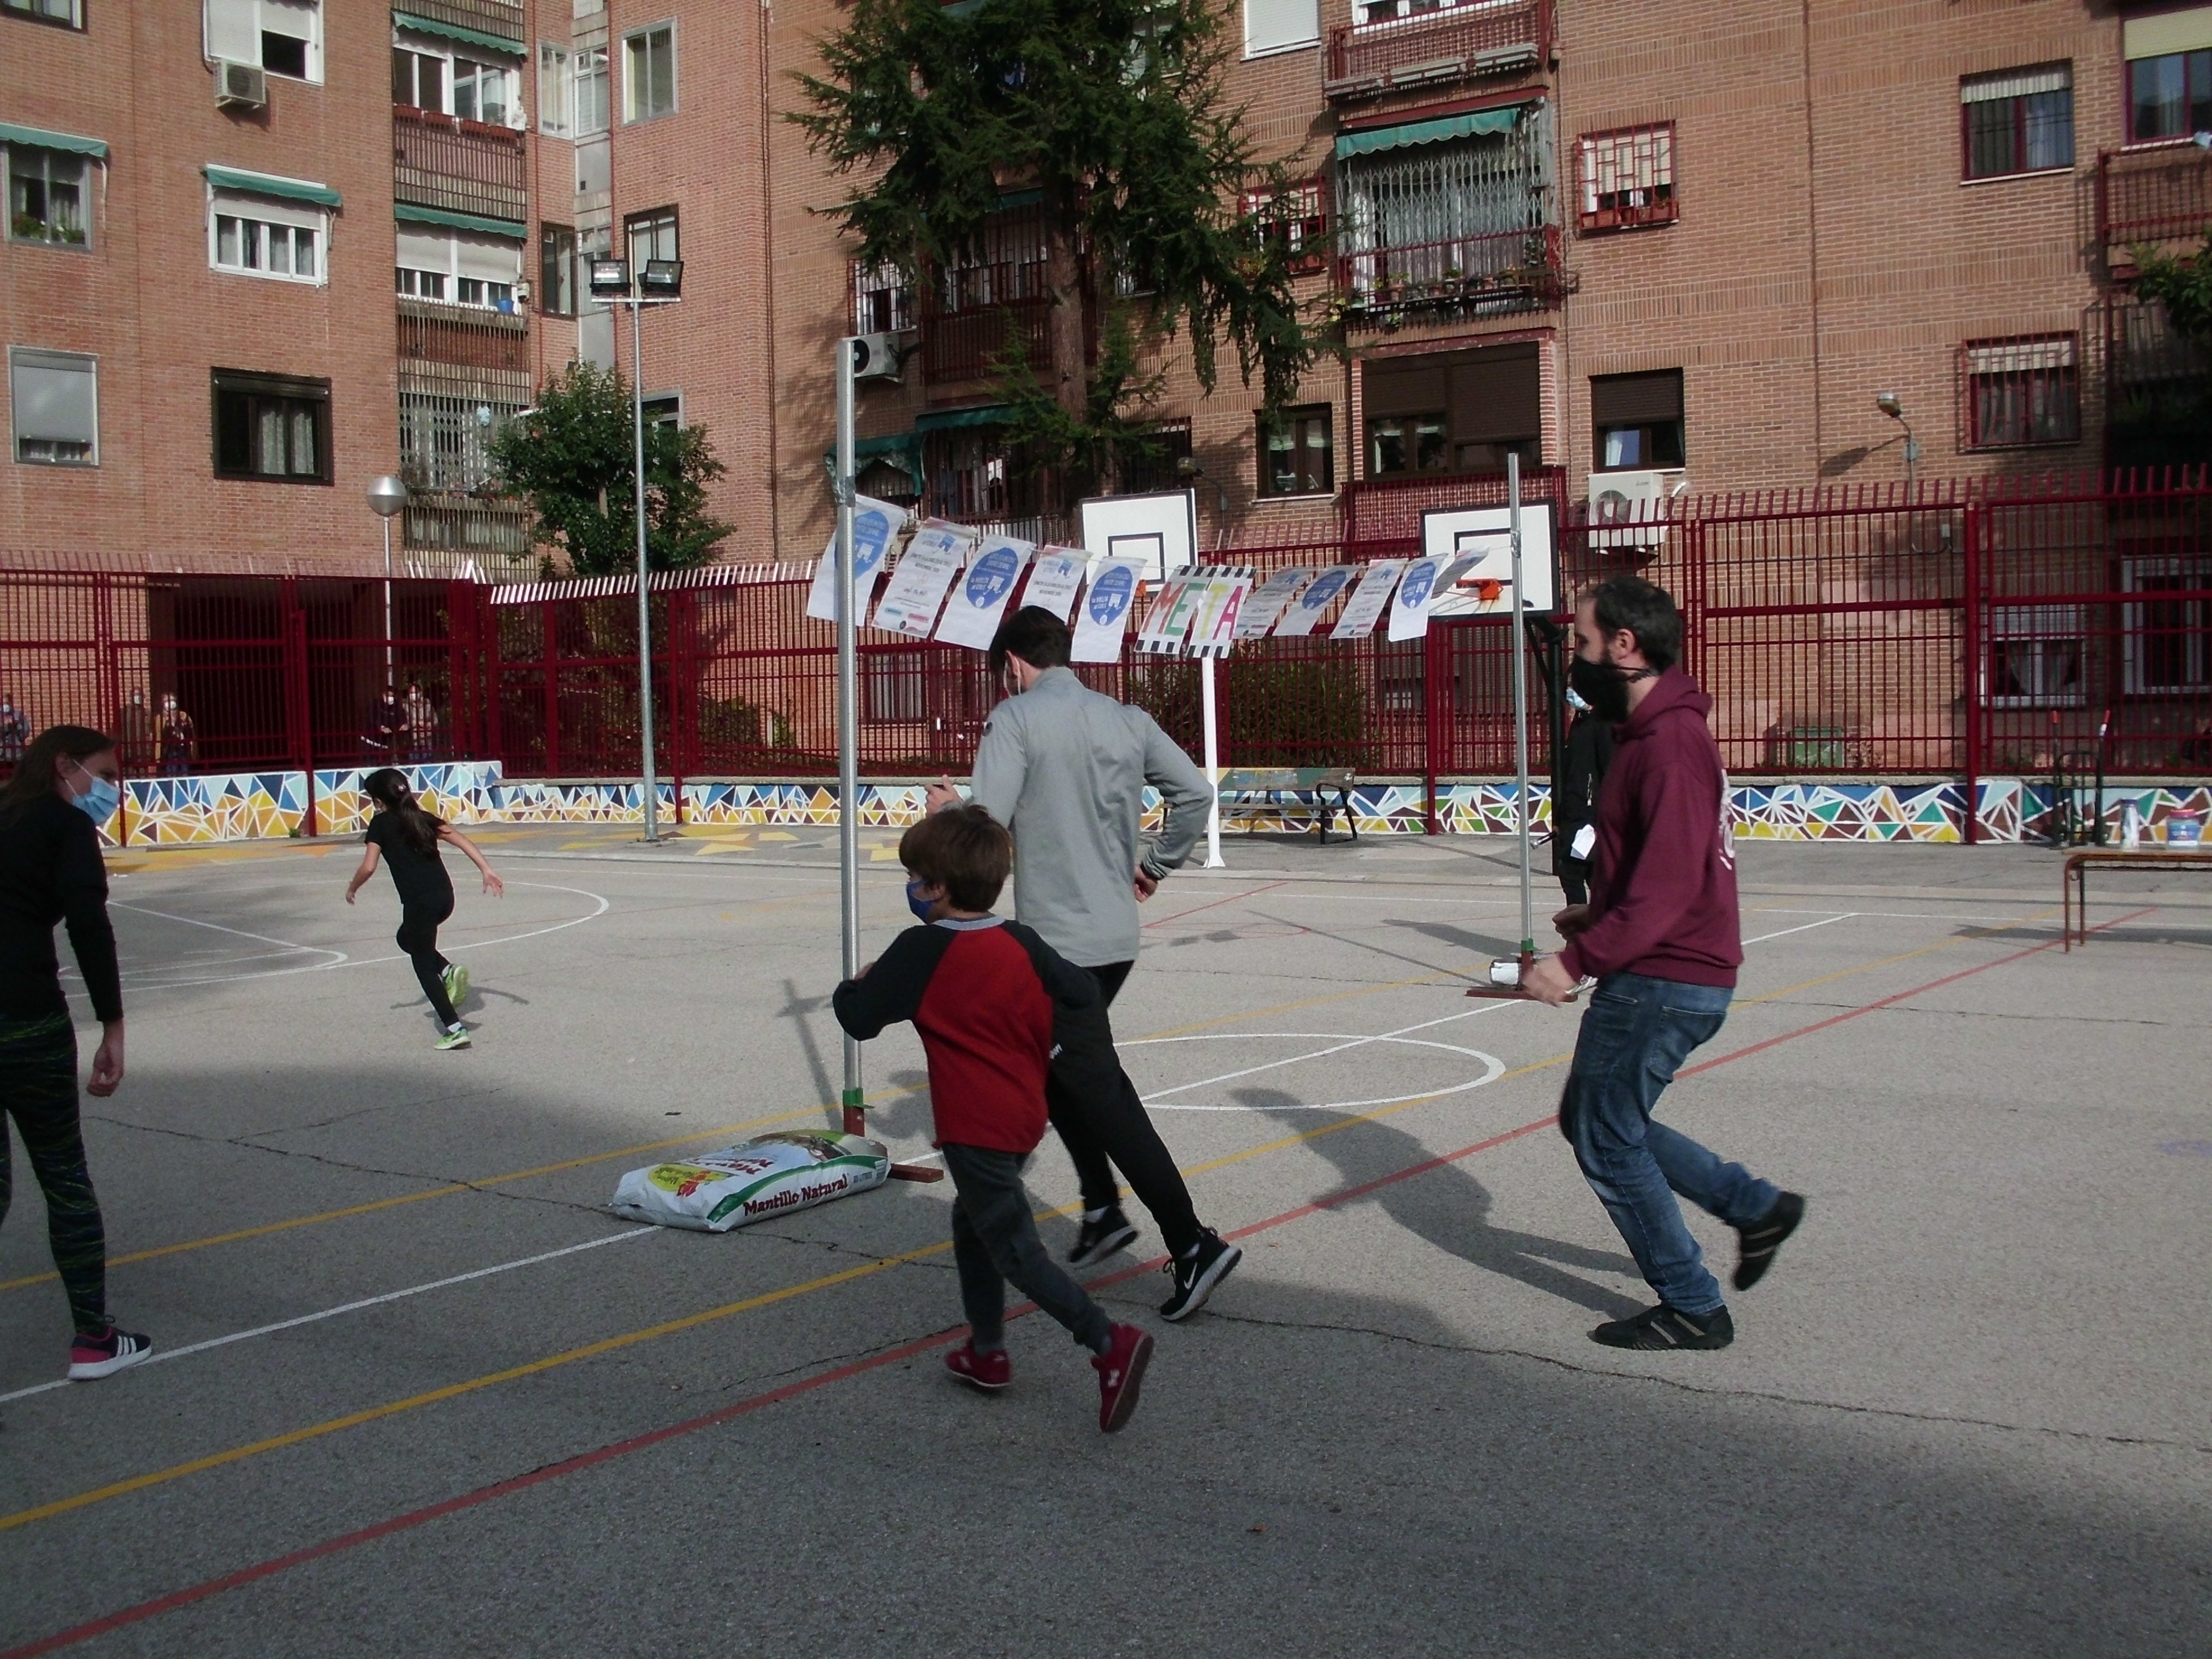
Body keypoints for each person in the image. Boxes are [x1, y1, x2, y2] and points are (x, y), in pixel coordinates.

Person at [926, 605, 1240, 1322]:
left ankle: (1192, 1243)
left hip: (1057, 947)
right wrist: (1157, 863)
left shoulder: (1016, 720)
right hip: (1114, 939)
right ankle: (1101, 1206)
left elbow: (984, 829)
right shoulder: (1125, 718)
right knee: (1054, 1067)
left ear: (1012, 664)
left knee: (1103, 1095)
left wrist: (947, 810)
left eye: (1002, 672)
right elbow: (1196, 793)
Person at [1523, 577, 1804, 1351]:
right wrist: (1599, 911)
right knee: (1596, 1120)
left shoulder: (1671, 745)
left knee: (1606, 1138)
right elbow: (1664, 863)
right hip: (1664, 968)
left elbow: (1673, 886)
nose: (1576, 663)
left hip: (1666, 978)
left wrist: (1576, 960)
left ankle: (1692, 1306)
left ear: (1624, 645)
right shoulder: (1650, 735)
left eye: (1584, 644)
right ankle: (1754, 1208)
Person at [831, 805, 1155, 1432]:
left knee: (1013, 1248)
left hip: (975, 1123)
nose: (911, 887)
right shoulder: (1020, 940)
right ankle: (986, 1351)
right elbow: (1082, 993)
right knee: (973, 1222)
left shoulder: (921, 950)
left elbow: (859, 1019)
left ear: (939, 887)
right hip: (1024, 1112)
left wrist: (857, 983)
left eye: (916, 878)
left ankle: (1107, 1342)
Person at [0, 724, 152, 1381]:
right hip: (26, 1018)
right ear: (65, 766)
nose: (111, 789)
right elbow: (89, 926)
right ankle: (93, 1339)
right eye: (106, 774)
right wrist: (112, 1025)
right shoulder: (66, 827)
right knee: (63, 1175)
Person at [344, 768, 503, 1050]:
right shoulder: (422, 818)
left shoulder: (380, 824)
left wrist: (352, 887)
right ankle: (447, 970)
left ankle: (454, 1028)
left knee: (422, 964)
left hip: (419, 903)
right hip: (444, 897)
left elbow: (368, 867)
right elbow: (462, 840)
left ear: (379, 800)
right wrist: (486, 869)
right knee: (405, 938)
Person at [1552, 684, 1615, 907]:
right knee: (1588, 873)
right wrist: (1560, 818)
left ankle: (1581, 924)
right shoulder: (1579, 723)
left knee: (1573, 872)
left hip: (1589, 815)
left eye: (1575, 687)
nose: (1571, 693)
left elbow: (1609, 771)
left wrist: (1602, 818)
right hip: (1574, 812)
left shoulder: (1603, 724)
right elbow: (1570, 774)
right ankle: (1596, 921)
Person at [156, 694, 196, 776]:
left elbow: (190, 732)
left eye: (172, 700)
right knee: (171, 774)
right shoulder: (160, 718)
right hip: (169, 752)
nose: (170, 703)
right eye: (167, 701)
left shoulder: (183, 716)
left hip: (183, 751)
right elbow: (159, 736)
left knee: (185, 774)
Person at [401, 681, 437, 763]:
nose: (413, 695)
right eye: (411, 693)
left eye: (415, 692)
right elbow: (405, 720)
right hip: (413, 740)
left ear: (420, 693)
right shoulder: (405, 706)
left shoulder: (427, 704)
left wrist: (429, 724)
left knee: (428, 762)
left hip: (427, 738)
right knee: (414, 762)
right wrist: (417, 723)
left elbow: (435, 720)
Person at [119, 690, 153, 774]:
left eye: (140, 695)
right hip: (128, 750)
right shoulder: (124, 712)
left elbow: (152, 731)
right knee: (128, 775)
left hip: (143, 750)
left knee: (143, 774)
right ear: (131, 697)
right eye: (136, 695)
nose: (138, 697)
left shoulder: (148, 713)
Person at [0, 695, 29, 769]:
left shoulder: (18, 715)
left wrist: (17, 725)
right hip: (1, 755)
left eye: (7, 703)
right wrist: (3, 726)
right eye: (3, 704)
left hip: (16, 754)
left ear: (11, 703)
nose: (5, 706)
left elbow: (25, 733)